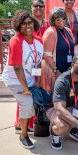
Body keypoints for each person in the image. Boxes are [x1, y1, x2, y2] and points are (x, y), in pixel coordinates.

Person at [2, 11, 43, 149]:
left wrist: (37, 80)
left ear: (34, 23)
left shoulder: (38, 40)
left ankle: (22, 125)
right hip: (15, 80)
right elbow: (18, 68)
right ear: (19, 26)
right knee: (27, 102)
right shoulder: (16, 40)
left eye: (29, 23)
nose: (27, 26)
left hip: (30, 78)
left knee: (36, 100)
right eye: (23, 24)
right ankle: (23, 135)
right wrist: (26, 88)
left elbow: (37, 62)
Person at [40, 9, 74, 93]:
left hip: (67, 69)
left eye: (63, 18)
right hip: (55, 71)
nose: (61, 21)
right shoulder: (50, 32)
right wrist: (56, 70)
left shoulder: (68, 31)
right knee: (55, 95)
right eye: (57, 19)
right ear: (53, 20)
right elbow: (47, 55)